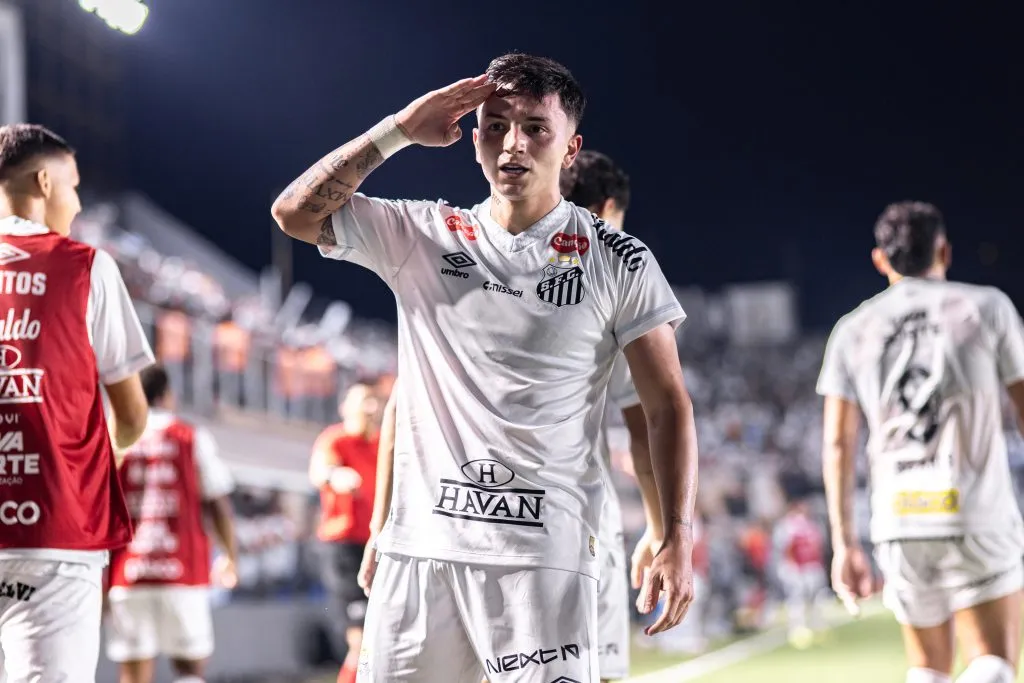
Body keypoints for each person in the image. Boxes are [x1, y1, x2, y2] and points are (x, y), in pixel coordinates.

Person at [272, 53, 699, 683]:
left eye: (535, 128)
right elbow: (294, 213)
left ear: (570, 147)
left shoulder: (620, 259)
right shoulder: (422, 233)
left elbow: (666, 408)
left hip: (542, 556)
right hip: (421, 552)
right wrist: (397, 130)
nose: (513, 144)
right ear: (473, 140)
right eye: (495, 125)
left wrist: (678, 537)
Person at [818, 201, 1024, 683]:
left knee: (928, 670)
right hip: (975, 510)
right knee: (992, 664)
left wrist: (844, 542)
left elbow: (837, 444)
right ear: (944, 250)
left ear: (880, 260)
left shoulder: (852, 330)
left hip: (899, 517)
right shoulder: (985, 306)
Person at [0, 123, 153, 683]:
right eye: (73, 186)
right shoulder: (85, 265)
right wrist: (98, 457)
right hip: (55, 531)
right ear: (44, 182)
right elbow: (133, 415)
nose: (79, 201)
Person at [105, 364, 239, 683]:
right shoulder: (189, 435)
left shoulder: (113, 438)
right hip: (183, 570)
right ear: (166, 395)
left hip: (127, 571)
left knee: (133, 672)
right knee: (190, 667)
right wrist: (231, 556)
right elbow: (218, 502)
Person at [308, 382, 381, 683]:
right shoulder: (334, 440)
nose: (370, 407)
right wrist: (336, 475)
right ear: (345, 407)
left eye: (373, 401)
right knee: (361, 639)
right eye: (363, 400)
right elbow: (319, 471)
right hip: (344, 550)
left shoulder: (384, 444)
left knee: (378, 637)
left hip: (378, 547)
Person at [771, 498, 826, 648]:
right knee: (797, 600)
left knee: (816, 598)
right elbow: (784, 548)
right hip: (796, 568)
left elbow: (818, 546)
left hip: (812, 566)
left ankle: (817, 626)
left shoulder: (812, 525)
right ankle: (797, 628)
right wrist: (791, 568)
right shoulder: (786, 526)